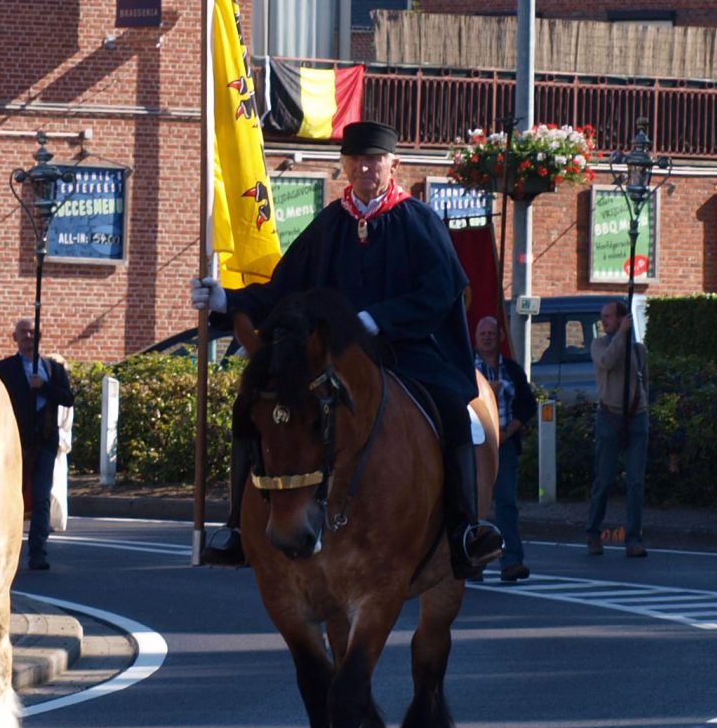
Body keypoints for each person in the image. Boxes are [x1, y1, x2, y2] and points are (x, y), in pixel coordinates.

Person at [192, 119, 503, 578]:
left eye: (374, 160)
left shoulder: (418, 220)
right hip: (331, 354)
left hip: (404, 349)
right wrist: (225, 300)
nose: (364, 168)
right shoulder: (329, 224)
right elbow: (284, 288)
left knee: (454, 412)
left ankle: (465, 530)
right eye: (355, 160)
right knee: (253, 405)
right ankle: (238, 526)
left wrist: (378, 318)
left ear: (394, 164)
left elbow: (441, 291)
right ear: (345, 166)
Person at [1, 317, 73, 571]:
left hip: (44, 441)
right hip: (16, 442)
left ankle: (38, 552)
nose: (28, 337)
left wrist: (44, 387)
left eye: (32, 332)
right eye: (23, 333)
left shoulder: (53, 369)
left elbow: (68, 398)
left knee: (42, 499)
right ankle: (5, 553)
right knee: (11, 498)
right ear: (15, 338)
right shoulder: (5, 368)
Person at [472, 315, 537, 583]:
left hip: (505, 444)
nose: (487, 338)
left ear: (500, 337)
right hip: (475, 447)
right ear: (476, 339)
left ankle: (512, 561)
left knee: (506, 502)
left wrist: (508, 432)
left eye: (492, 333)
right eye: (483, 334)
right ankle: (474, 560)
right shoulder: (466, 368)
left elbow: (528, 404)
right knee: (475, 506)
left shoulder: (511, 369)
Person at [588, 298, 650, 559]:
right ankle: (593, 532)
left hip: (636, 417)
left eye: (609, 316)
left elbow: (644, 381)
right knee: (604, 479)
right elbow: (608, 362)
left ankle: (634, 538)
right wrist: (621, 336)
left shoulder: (638, 350)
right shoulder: (599, 344)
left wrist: (645, 407)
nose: (604, 321)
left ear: (622, 319)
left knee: (635, 480)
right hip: (609, 416)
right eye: (603, 316)